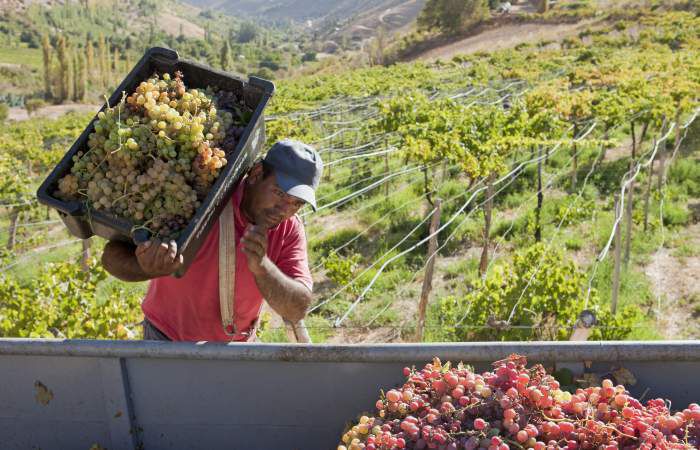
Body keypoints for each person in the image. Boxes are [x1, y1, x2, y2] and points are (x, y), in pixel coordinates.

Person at [101, 140, 323, 342]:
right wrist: (148, 268)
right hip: (166, 341)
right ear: (256, 174)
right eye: (280, 193)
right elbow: (111, 257)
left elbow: (297, 308)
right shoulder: (199, 199)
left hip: (235, 349)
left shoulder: (289, 229)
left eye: (296, 203)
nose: (285, 210)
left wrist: (263, 268)